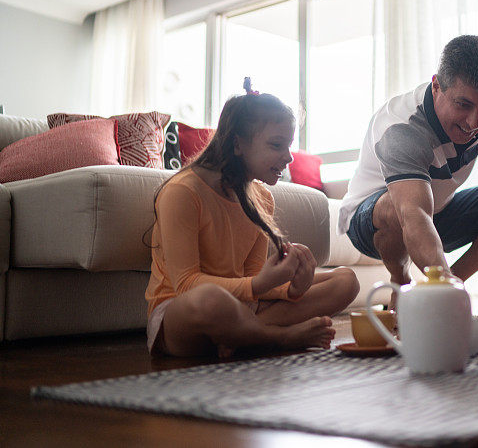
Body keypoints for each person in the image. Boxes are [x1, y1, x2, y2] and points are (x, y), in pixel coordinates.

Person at [145, 91, 360, 358]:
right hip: (184, 314)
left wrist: (292, 287)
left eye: (289, 146)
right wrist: (258, 286)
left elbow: (252, 282)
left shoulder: (262, 198)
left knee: (346, 281)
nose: (288, 158)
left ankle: (243, 338)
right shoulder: (183, 192)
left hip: (243, 307)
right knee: (211, 299)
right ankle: (278, 338)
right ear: (238, 144)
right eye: (276, 145)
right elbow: (186, 284)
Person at [338, 35, 478, 289]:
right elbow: (414, 213)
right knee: (396, 206)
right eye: (462, 105)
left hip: (437, 211)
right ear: (436, 86)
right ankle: (402, 283)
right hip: (371, 222)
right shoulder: (401, 128)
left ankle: (451, 283)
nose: (475, 123)